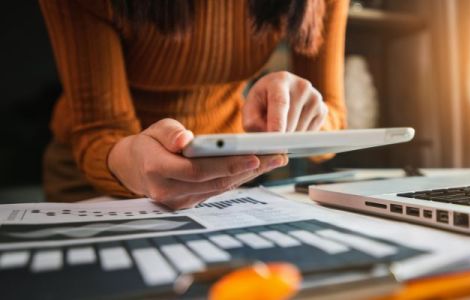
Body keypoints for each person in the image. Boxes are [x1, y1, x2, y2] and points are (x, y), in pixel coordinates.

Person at [40, 0, 348, 209]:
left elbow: (333, 114)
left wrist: (304, 115)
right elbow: (100, 128)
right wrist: (130, 158)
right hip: (99, 177)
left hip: (221, 182)